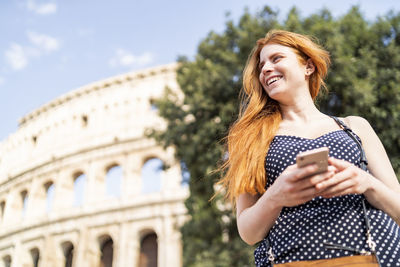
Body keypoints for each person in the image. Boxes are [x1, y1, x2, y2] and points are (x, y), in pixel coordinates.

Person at [218, 30, 400, 266]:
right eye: (261, 65)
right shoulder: (251, 139)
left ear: (308, 67)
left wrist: (366, 182)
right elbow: (248, 232)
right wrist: (275, 196)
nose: (265, 69)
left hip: (372, 257)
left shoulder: (355, 127)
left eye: (276, 59)